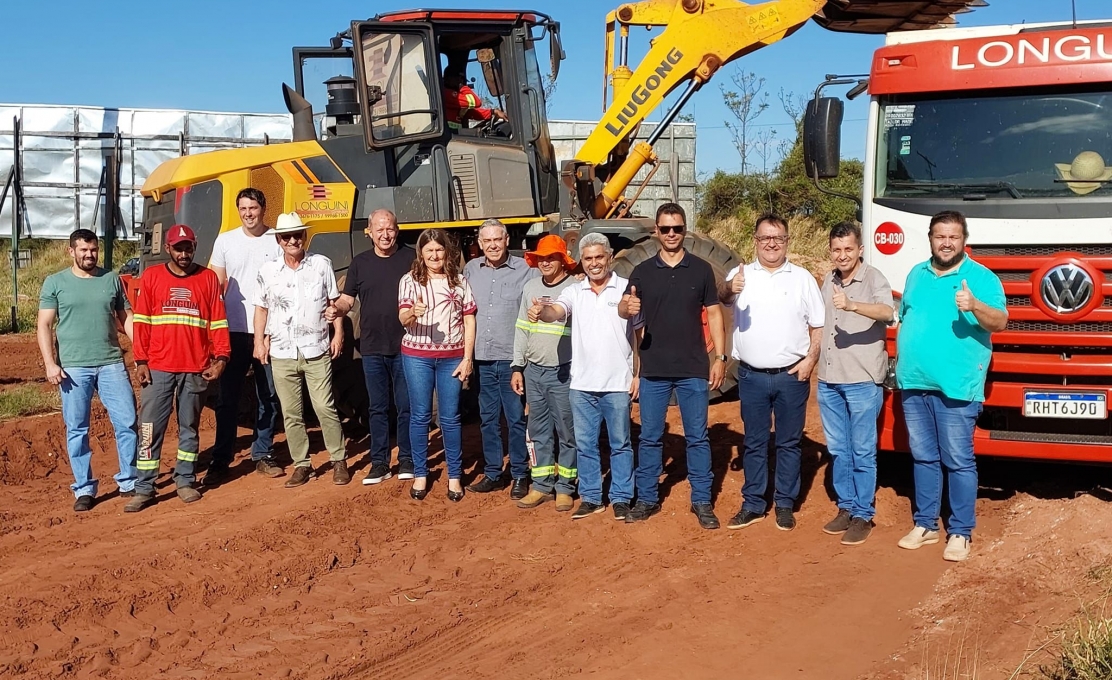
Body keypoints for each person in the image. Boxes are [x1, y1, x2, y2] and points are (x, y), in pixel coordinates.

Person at [895, 210, 1006, 562]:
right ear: (930, 238)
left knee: (958, 460)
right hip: (914, 382)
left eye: (953, 237)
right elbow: (907, 316)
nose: (946, 242)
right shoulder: (916, 274)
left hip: (957, 385)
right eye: (940, 236)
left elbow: (1001, 321)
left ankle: (960, 531)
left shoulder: (981, 278)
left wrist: (974, 306)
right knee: (924, 456)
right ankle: (926, 524)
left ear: (963, 240)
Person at [618, 203, 727, 529]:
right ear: (656, 231)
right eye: (665, 229)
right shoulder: (642, 272)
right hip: (653, 369)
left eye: (676, 229)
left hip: (694, 368)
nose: (671, 234)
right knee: (650, 438)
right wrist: (627, 306)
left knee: (697, 438)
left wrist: (720, 357)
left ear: (684, 229)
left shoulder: (701, 269)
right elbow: (626, 310)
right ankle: (648, 498)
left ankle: (702, 501)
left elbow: (716, 313)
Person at [718, 214, 824, 532]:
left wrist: (810, 360)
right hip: (751, 377)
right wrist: (728, 288)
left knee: (789, 443)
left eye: (778, 238)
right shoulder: (740, 275)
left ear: (787, 241)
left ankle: (785, 504)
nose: (771, 244)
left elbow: (818, 324)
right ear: (755, 241)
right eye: (765, 238)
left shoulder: (802, 278)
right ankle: (753, 503)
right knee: (754, 441)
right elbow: (722, 300)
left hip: (792, 376)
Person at [534, 232, 641, 521]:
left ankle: (620, 496)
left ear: (609, 257)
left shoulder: (625, 289)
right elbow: (557, 311)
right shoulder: (574, 291)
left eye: (599, 257)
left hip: (617, 383)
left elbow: (637, 337)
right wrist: (542, 311)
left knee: (620, 444)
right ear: (582, 261)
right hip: (581, 385)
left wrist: (637, 375)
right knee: (586, 445)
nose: (594, 263)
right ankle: (592, 497)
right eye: (588, 258)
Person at [126, 225, 231, 512]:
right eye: (178, 248)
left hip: (195, 368)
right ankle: (145, 487)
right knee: (149, 429)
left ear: (195, 247)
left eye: (188, 247)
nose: (184, 253)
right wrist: (141, 361)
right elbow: (142, 322)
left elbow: (218, 322)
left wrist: (221, 358)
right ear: (168, 249)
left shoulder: (208, 279)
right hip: (158, 367)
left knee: (190, 428)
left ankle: (185, 480)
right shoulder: (152, 277)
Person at [37, 229, 138, 512]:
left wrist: (141, 350)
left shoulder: (111, 279)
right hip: (73, 367)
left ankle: (129, 480)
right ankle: (84, 488)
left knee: (127, 420)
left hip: (111, 362)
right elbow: (44, 324)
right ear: (71, 251)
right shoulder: (55, 282)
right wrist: (50, 363)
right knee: (77, 428)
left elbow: (125, 318)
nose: (89, 255)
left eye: (93, 250)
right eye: (83, 250)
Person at [253, 212, 349, 488]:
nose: (293, 240)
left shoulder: (321, 265)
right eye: (287, 236)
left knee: (324, 406)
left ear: (304, 237)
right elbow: (261, 308)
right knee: (291, 413)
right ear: (279, 241)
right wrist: (259, 341)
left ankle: (338, 459)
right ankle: (302, 464)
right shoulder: (267, 271)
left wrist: (338, 333)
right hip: (282, 352)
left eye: (297, 235)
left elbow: (335, 302)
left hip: (316, 348)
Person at [817, 222, 895, 546]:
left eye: (849, 249)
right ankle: (846, 507)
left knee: (863, 450)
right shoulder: (827, 280)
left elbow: (887, 312)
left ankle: (864, 513)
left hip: (862, 380)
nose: (843, 255)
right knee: (838, 449)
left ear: (860, 250)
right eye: (837, 249)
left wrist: (851, 304)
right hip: (829, 380)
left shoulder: (874, 278)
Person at [328, 209, 416, 485]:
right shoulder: (360, 263)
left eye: (389, 229)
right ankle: (379, 462)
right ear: (370, 233)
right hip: (373, 347)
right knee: (377, 407)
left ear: (397, 230)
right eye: (379, 230)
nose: (385, 234)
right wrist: (336, 310)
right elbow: (346, 299)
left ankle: (407, 459)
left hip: (407, 345)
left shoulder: (411, 258)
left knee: (405, 405)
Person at [207, 187, 283, 484]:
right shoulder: (225, 241)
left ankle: (263, 453)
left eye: (253, 208)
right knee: (228, 398)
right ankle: (220, 459)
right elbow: (215, 286)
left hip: (268, 332)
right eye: (243, 209)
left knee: (269, 396)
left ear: (263, 208)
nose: (248, 214)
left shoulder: (277, 239)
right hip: (233, 332)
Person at [398, 229, 476, 502]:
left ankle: (454, 476)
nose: (434, 255)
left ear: (447, 252)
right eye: (429, 250)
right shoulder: (409, 281)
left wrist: (468, 358)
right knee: (419, 415)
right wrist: (412, 313)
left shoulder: (460, 281)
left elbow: (469, 320)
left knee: (450, 417)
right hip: (417, 356)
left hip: (453, 358)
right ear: (421, 253)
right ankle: (421, 473)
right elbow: (403, 318)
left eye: (439, 250)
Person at [463, 219, 539, 499]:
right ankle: (494, 472)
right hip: (481, 358)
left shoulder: (526, 271)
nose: (493, 245)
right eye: (487, 241)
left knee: (516, 418)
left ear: (507, 240)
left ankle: (520, 473)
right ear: (480, 244)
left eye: (498, 239)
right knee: (487, 419)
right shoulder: (471, 270)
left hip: (512, 361)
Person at [511, 235, 578, 512]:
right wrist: (517, 367)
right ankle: (541, 485)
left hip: (564, 372)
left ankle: (565, 487)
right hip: (534, 372)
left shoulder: (575, 288)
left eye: (552, 257)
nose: (546, 262)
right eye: (541, 258)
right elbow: (522, 329)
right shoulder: (530, 287)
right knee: (537, 430)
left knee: (566, 430)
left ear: (563, 260)